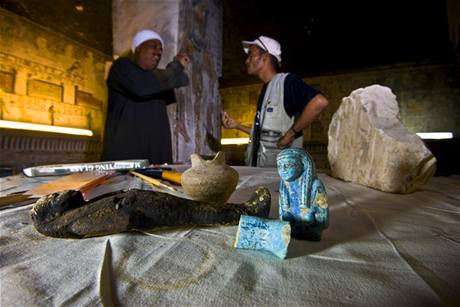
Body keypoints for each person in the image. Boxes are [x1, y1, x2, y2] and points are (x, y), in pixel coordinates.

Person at [221, 35, 328, 167]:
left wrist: (291, 133)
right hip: (262, 175)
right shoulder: (266, 89)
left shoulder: (286, 82)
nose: (247, 61)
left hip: (280, 179)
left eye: (251, 55)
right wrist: (236, 125)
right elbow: (264, 135)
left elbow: (319, 102)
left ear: (265, 57)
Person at [102, 29, 190, 164]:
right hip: (125, 160)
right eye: (153, 46)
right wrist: (176, 66)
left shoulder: (154, 78)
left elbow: (180, 80)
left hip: (155, 160)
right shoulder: (121, 67)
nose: (159, 51)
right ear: (138, 48)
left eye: (161, 49)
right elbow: (142, 87)